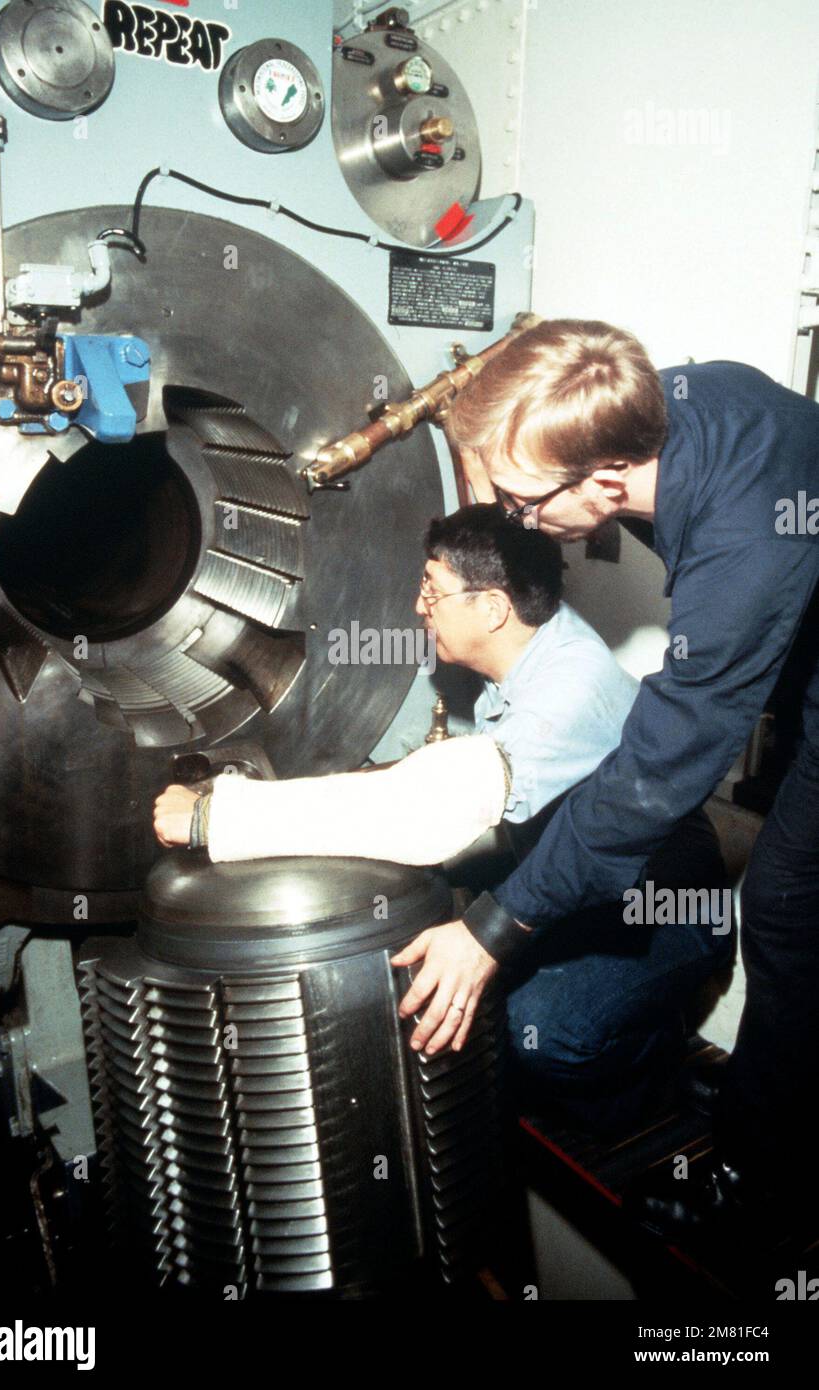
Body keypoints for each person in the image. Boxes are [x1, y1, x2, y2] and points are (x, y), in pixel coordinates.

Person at [399, 318, 819, 1243]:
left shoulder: (746, 535)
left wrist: (492, 931)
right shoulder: (654, 408)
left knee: (788, 907)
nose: (515, 523)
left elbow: (655, 774)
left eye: (517, 502)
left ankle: (761, 1196)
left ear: (604, 480)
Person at [154, 504, 730, 1132]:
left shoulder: (568, 692)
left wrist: (218, 817)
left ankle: (657, 1085)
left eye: (432, 588)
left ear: (491, 609)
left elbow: (429, 810)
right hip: (584, 885)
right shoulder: (536, 637)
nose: (417, 606)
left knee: (544, 1030)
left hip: (666, 906)